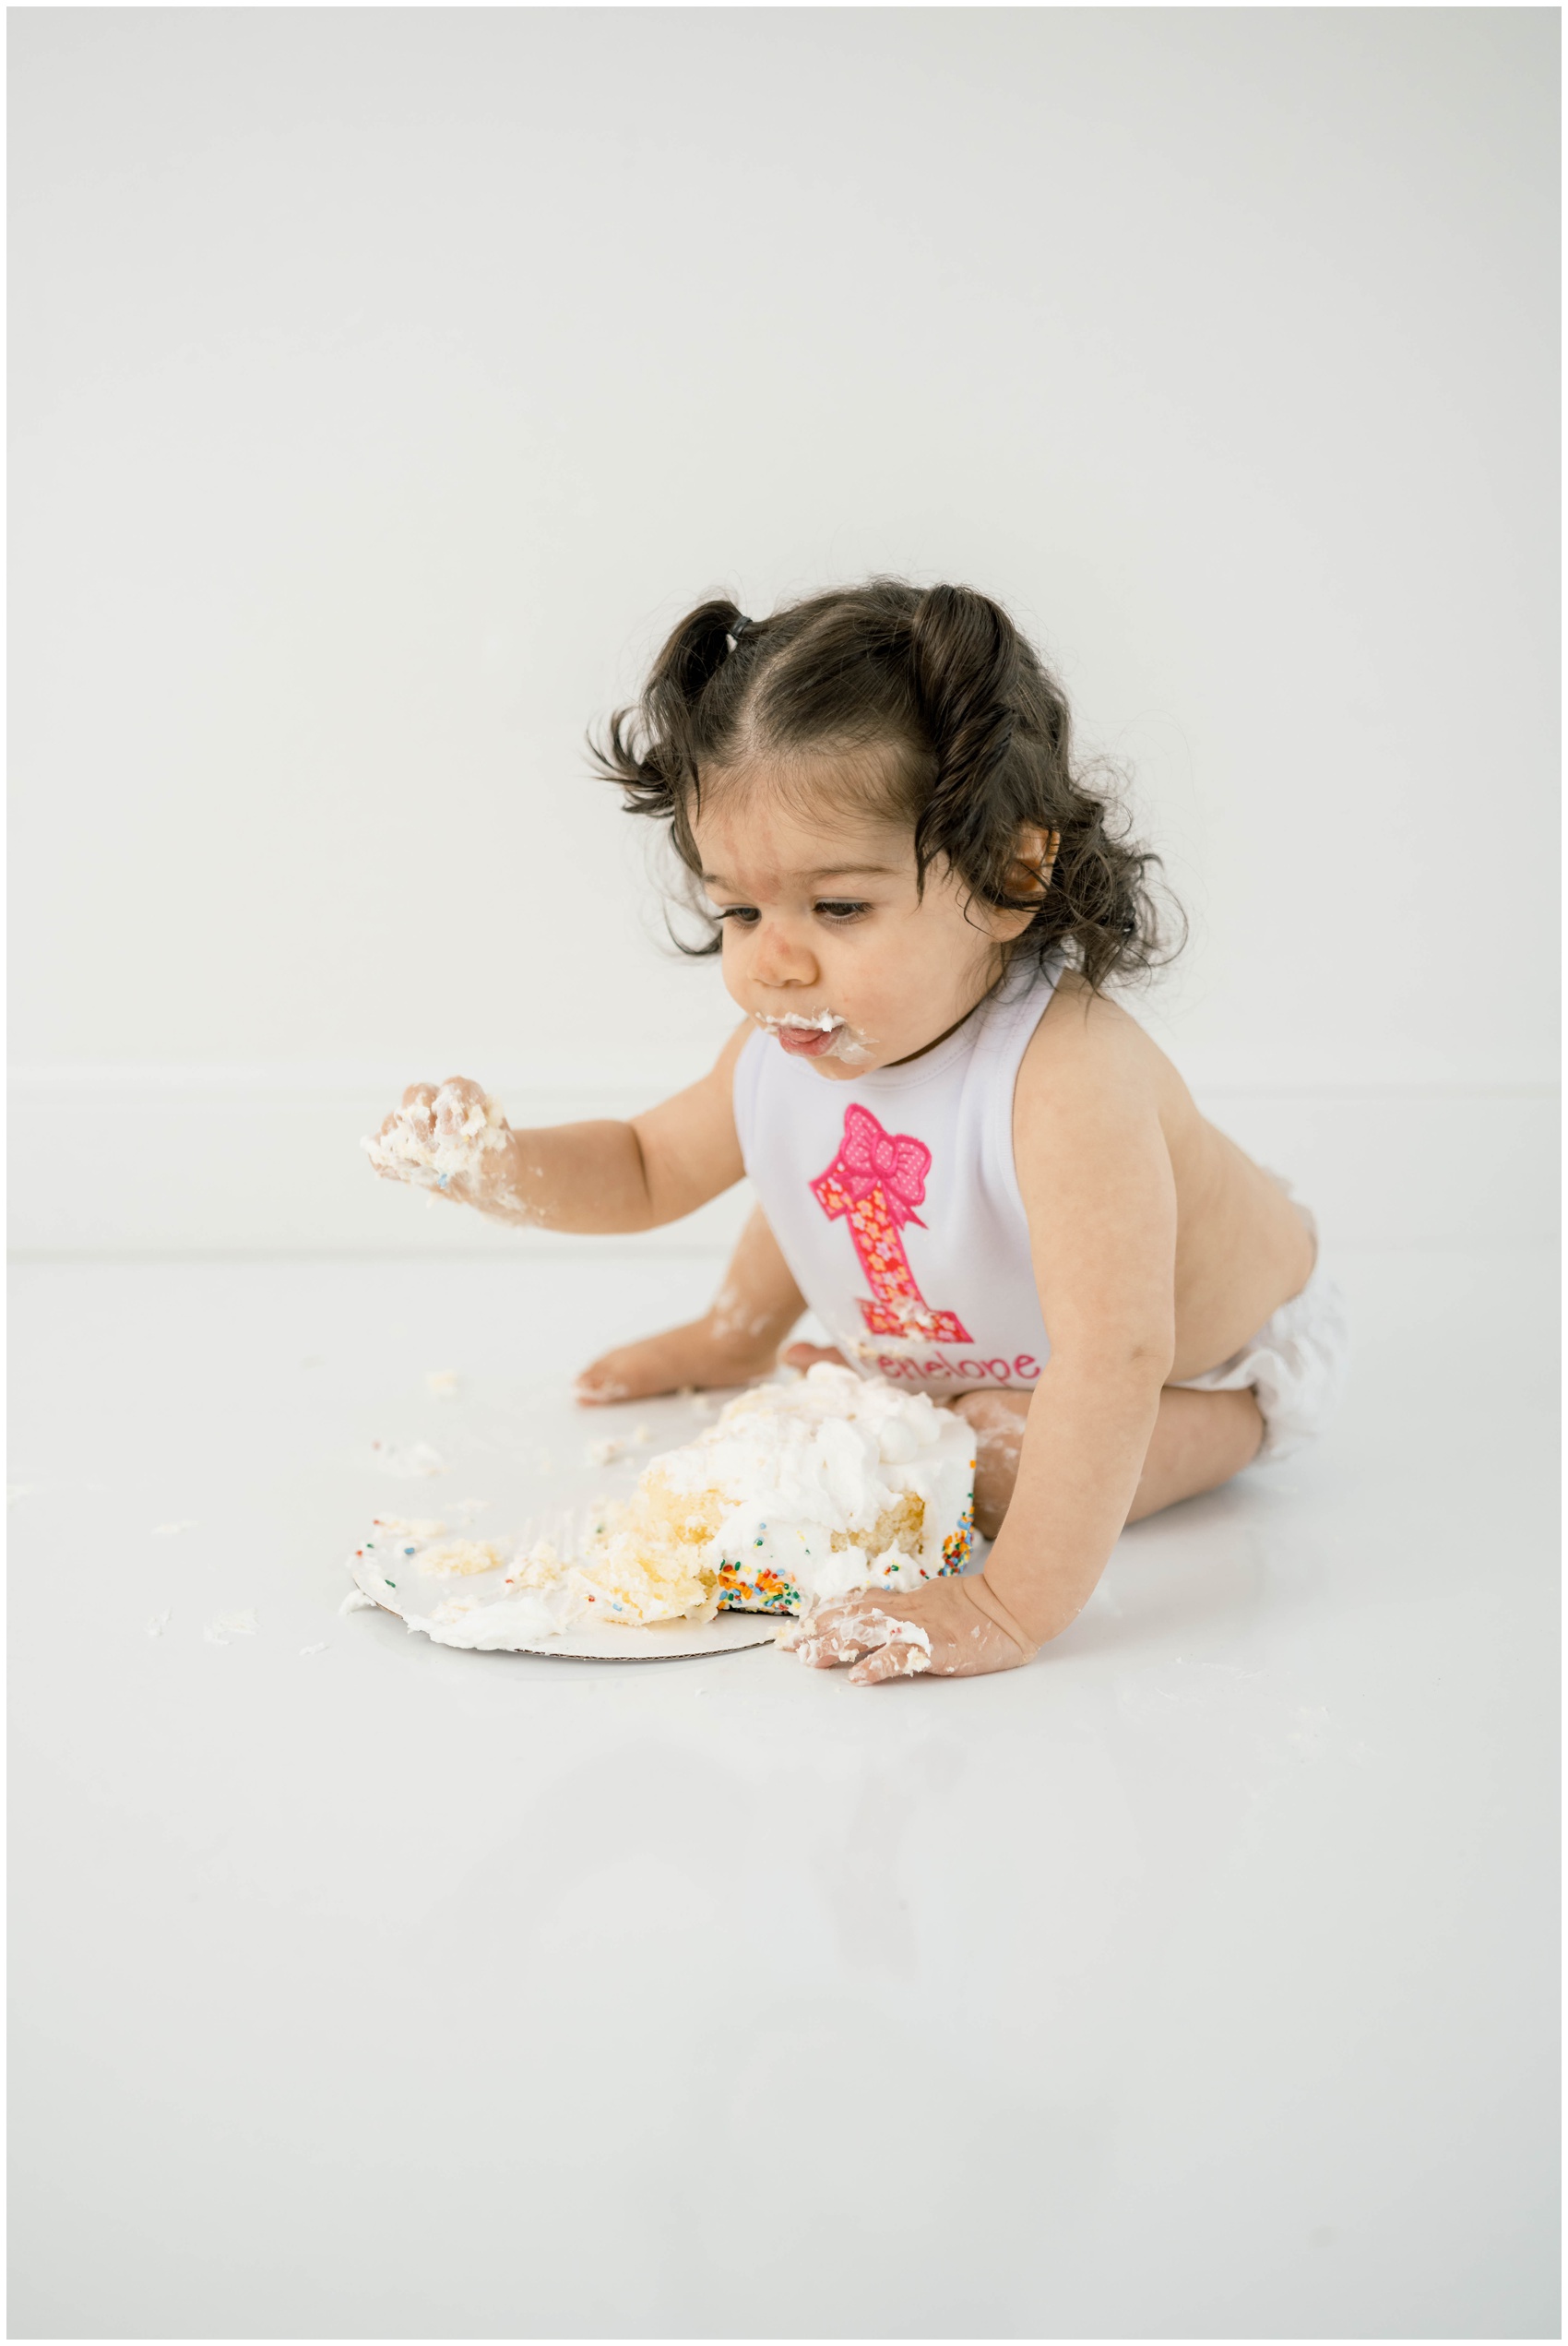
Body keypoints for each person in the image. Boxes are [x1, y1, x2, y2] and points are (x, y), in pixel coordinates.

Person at [369, 580, 1348, 1684]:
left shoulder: (1068, 1073)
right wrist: (495, 1165)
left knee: (992, 1457)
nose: (773, 961)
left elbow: (1114, 1354)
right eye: (738, 910)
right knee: (799, 1140)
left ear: (1011, 874)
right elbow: (646, 1167)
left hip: (1197, 1358)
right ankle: (736, 1329)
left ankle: (1248, 1426)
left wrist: (1006, 1600)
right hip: (999, 1307)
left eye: (837, 909)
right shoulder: (795, 1041)